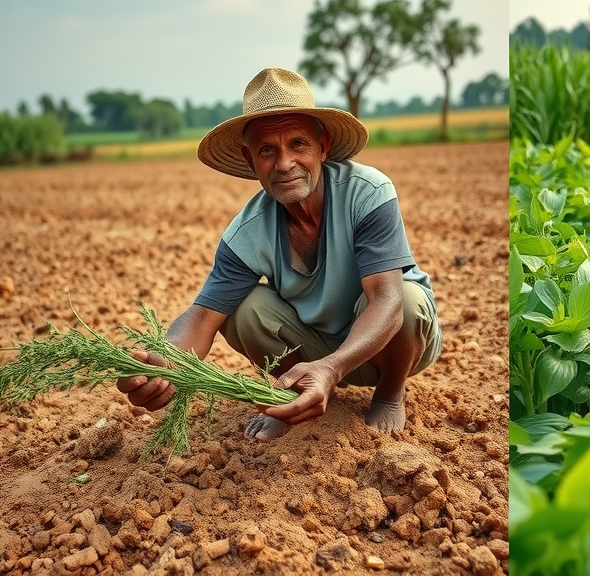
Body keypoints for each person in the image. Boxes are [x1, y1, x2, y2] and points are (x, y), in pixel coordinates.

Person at [115, 68, 442, 438]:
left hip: (391, 343)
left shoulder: (366, 193)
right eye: (267, 150)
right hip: (315, 347)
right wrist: (165, 360)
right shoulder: (246, 233)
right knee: (241, 308)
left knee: (408, 299)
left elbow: (387, 301)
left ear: (323, 146)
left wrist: (332, 368)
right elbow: (204, 314)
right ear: (250, 159)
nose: (284, 164)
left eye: (298, 145)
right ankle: (294, 391)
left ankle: (389, 394)